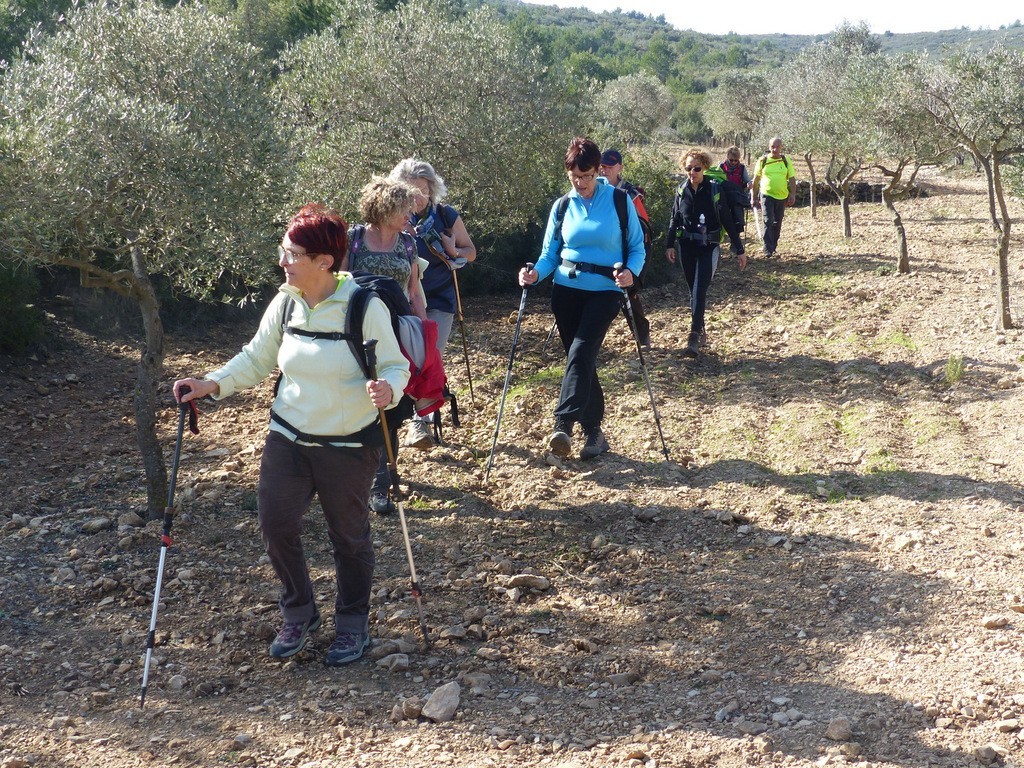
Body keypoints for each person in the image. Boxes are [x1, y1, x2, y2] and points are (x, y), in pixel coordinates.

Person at [172, 204, 410, 667]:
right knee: (276, 523)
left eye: (291, 252)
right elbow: (257, 359)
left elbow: (396, 366)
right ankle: (299, 611)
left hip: (348, 443)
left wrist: (389, 388)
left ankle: (352, 625)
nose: (282, 260)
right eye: (284, 249)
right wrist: (210, 383)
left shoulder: (365, 305)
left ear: (324, 261)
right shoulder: (285, 302)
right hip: (289, 436)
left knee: (350, 538)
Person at [519, 136, 645, 460]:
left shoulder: (619, 201)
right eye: (575, 176)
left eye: (587, 176)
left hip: (606, 291)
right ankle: (595, 433)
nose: (581, 183)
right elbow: (549, 255)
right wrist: (534, 274)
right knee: (581, 360)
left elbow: (637, 249)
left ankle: (563, 424)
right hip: (565, 292)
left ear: (597, 170)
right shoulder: (562, 206)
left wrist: (631, 272)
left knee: (581, 350)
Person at [345, 177, 428, 515]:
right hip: (356, 333)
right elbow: (339, 284)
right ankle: (360, 479)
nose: (411, 216)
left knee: (391, 408)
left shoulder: (407, 244)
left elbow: (414, 291)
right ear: (385, 209)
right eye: (405, 209)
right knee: (360, 403)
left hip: (395, 331)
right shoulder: (353, 240)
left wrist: (425, 335)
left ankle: (382, 486)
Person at [388, 158, 477, 450]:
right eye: (411, 190)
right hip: (402, 300)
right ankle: (403, 417)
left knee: (428, 356)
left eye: (423, 189)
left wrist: (452, 249)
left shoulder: (446, 215)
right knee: (405, 359)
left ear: (432, 188)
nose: (417, 197)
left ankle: (419, 423)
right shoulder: (393, 217)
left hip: (439, 299)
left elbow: (471, 252)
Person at [665, 149, 746, 359]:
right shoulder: (681, 190)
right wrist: (669, 244)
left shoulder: (714, 190)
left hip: (709, 247)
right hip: (687, 247)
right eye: (689, 168)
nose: (692, 172)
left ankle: (693, 336)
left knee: (700, 290)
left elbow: (727, 220)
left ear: (705, 168)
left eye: (697, 168)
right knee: (693, 291)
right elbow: (674, 219)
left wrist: (740, 249)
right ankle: (700, 328)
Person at [599, 148, 652, 349]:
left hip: (629, 252)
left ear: (619, 167)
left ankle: (642, 335)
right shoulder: (593, 189)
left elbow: (643, 228)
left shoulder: (631, 195)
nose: (605, 170)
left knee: (629, 293)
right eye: (602, 166)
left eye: (609, 167)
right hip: (603, 250)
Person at [751, 137, 796, 257]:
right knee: (767, 220)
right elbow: (755, 180)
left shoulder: (786, 161)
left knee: (777, 222)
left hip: (782, 196)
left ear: (781, 147)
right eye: (772, 147)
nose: (775, 149)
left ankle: (773, 245)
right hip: (767, 195)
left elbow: (791, 178)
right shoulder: (763, 160)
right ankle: (767, 249)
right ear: (769, 147)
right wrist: (754, 197)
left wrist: (792, 194)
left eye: (777, 147)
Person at [719, 145, 752, 233]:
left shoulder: (742, 168)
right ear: (727, 157)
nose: (733, 162)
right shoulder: (721, 167)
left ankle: (735, 242)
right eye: (731, 160)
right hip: (724, 196)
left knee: (737, 221)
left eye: (736, 160)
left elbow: (747, 180)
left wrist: (749, 183)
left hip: (737, 198)